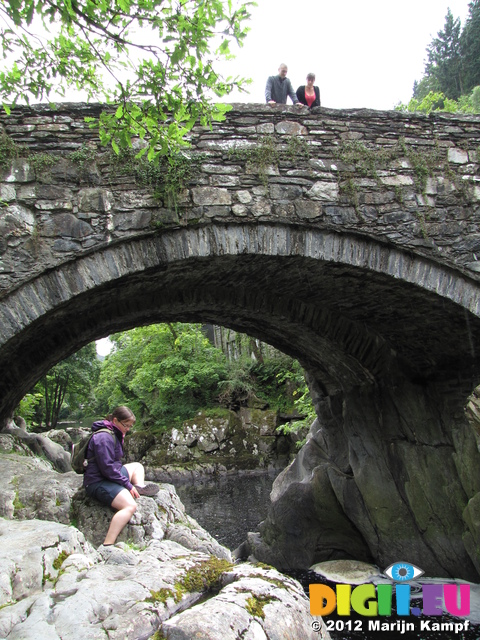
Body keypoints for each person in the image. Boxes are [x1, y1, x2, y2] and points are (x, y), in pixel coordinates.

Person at [83, 405, 160, 546]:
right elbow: (107, 468)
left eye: (130, 426)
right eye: (126, 425)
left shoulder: (114, 432)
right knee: (130, 506)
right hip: (98, 482)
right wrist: (126, 484)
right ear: (115, 420)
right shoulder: (103, 438)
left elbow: (113, 466)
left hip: (111, 476)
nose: (128, 429)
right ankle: (108, 544)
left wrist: (128, 484)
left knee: (137, 466)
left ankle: (139, 488)